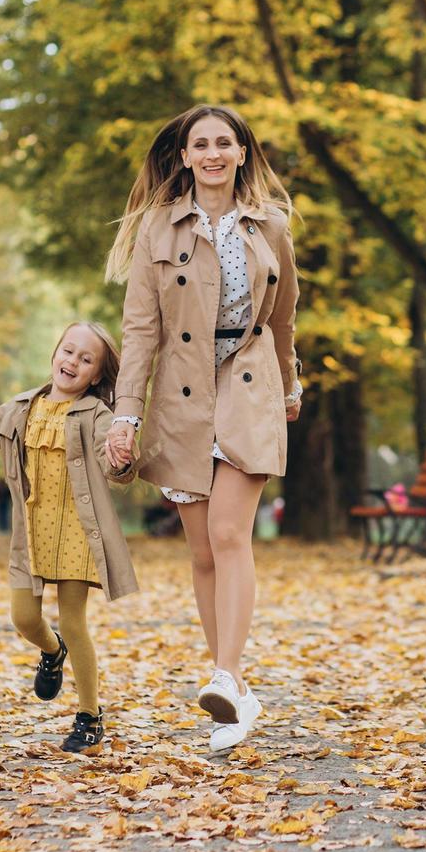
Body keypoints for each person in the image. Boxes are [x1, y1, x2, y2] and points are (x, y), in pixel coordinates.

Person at [103, 104, 302, 751]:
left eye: (225, 142)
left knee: (227, 532)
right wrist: (125, 415)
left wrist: (290, 382)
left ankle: (225, 672)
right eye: (201, 144)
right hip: (182, 397)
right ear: (184, 156)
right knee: (200, 552)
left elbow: (283, 321)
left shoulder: (272, 226)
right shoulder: (158, 230)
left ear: (242, 152)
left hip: (247, 386)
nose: (213, 153)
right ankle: (236, 696)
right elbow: (139, 331)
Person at [0, 322, 138, 753]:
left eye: (86, 360)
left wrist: (121, 459)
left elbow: (114, 465)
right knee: (24, 618)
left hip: (77, 532)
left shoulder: (97, 416)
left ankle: (89, 716)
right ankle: (52, 652)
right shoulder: (22, 408)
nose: (73, 362)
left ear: (98, 376)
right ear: (55, 353)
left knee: (73, 619)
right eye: (68, 351)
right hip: (30, 534)